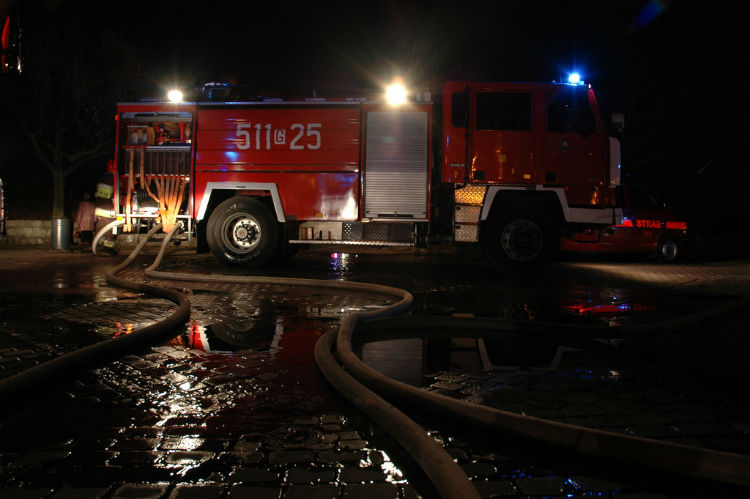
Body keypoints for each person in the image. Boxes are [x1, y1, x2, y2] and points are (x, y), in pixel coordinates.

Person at [94, 160, 118, 255]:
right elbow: (116, 193)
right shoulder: (113, 178)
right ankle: (108, 248)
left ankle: (99, 245)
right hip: (108, 209)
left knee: (102, 227)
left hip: (99, 207)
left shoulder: (103, 177)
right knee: (111, 228)